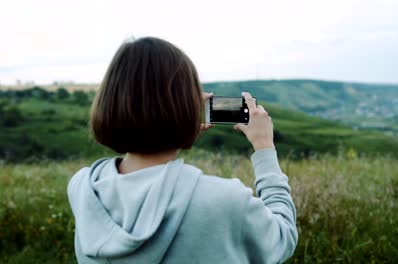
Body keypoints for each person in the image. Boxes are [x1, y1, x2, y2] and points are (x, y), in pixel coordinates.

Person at [67, 37, 298, 263]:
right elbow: (282, 238)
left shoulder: (83, 188)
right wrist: (264, 146)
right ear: (186, 105)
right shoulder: (223, 200)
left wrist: (174, 134)